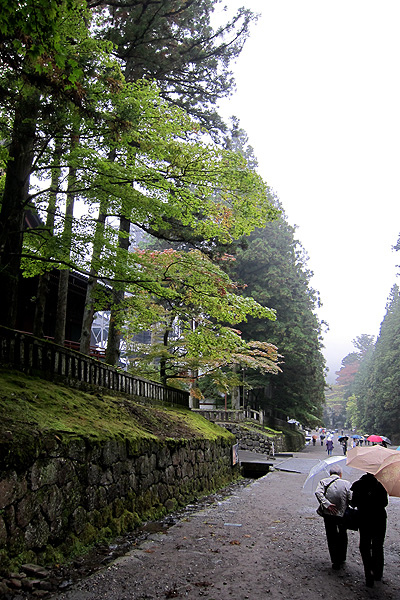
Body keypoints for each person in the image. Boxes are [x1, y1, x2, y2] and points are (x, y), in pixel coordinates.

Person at [350, 472, 388, 588]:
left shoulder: (358, 484)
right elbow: (385, 503)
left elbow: (354, 503)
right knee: (378, 545)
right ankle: (378, 573)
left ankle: (368, 573)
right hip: (379, 519)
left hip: (364, 519)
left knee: (365, 546)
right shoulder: (382, 484)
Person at [315, 466, 352, 570]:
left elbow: (318, 492)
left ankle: (335, 560)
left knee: (331, 536)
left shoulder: (323, 482)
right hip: (342, 514)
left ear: (330, 473)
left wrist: (327, 504)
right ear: (340, 474)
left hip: (328, 514)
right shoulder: (346, 483)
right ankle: (342, 557)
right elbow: (350, 498)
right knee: (342, 535)